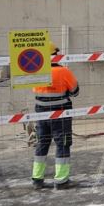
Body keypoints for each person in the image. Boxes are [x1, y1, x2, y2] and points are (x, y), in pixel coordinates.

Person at [31, 42, 79, 190]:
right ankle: (61, 180)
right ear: (56, 55)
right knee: (62, 144)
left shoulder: (36, 71)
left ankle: (37, 179)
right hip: (60, 114)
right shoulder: (63, 72)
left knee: (42, 143)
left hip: (41, 113)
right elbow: (75, 91)